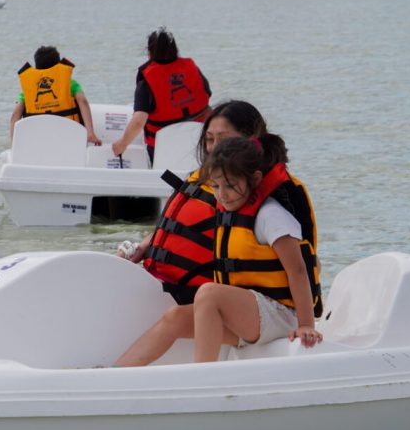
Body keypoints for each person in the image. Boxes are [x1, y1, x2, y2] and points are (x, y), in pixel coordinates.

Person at [115, 137, 323, 366]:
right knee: (176, 317)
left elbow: (298, 271)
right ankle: (113, 374)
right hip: (250, 315)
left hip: (281, 316)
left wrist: (305, 325)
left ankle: (204, 377)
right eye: (216, 186)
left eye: (230, 185)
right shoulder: (228, 215)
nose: (222, 194)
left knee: (209, 293)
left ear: (254, 179)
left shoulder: (271, 216)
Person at [118, 100, 285, 306]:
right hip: (160, 281)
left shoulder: (251, 194)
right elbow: (182, 227)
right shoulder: (204, 180)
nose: (213, 147)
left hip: (195, 298)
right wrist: (142, 246)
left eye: (223, 139)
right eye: (209, 139)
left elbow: (298, 259)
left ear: (250, 140)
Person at [111, 28, 211, 164]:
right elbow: (206, 96)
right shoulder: (192, 69)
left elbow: (139, 121)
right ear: (175, 49)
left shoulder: (146, 83)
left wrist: (122, 144)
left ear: (149, 52)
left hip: (164, 147)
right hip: (199, 141)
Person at [10, 46, 101, 146]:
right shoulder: (70, 84)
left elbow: (15, 114)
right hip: (69, 135)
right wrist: (90, 132)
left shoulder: (27, 91)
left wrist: (13, 144)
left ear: (37, 66)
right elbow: (82, 101)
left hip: (38, 137)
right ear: (58, 65)